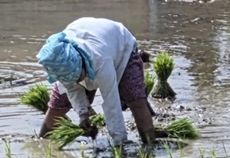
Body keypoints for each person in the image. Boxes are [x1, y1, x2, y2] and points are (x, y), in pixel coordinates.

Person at [35, 17, 159, 147]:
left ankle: (150, 143)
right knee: (59, 103)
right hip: (87, 37)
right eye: (73, 79)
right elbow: (72, 89)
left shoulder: (101, 61)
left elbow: (112, 104)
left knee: (135, 99)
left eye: (78, 77)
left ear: (82, 64)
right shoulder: (61, 63)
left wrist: (120, 143)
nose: (78, 82)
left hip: (121, 46)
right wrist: (84, 113)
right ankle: (42, 142)